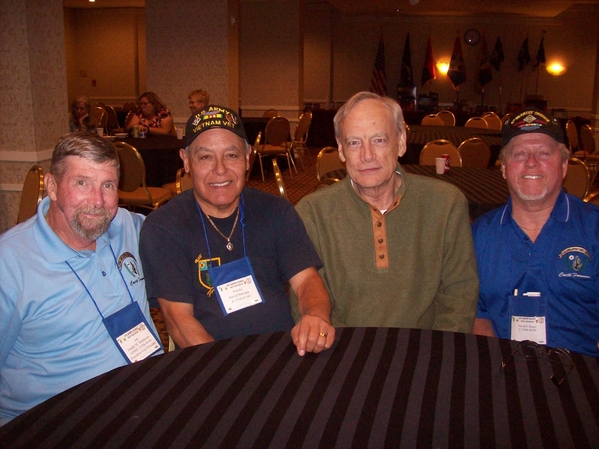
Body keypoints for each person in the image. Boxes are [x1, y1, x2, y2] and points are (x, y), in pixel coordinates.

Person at [139, 105, 334, 355]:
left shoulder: (276, 211)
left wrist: (316, 316)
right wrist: (228, 373)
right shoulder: (163, 228)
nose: (220, 169)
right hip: (211, 364)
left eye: (231, 155)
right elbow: (179, 322)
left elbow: (307, 280)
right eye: (205, 156)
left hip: (284, 353)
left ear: (247, 157)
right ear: (186, 161)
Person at [0, 132, 162, 425]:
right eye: (82, 183)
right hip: (60, 421)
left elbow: (178, 234)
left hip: (146, 397)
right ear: (52, 186)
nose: (98, 201)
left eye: (108, 185)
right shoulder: (9, 265)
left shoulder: (125, 225)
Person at [292, 91, 479, 332]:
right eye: (354, 142)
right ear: (340, 150)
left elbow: (459, 297)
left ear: (400, 142)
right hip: (345, 354)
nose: (366, 155)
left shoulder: (446, 204)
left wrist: (436, 355)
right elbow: (305, 302)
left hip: (425, 352)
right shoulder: (311, 213)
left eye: (379, 140)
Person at [472, 108, 599, 356]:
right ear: (504, 168)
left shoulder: (593, 230)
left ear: (563, 166)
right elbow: (475, 312)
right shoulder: (479, 234)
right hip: (504, 373)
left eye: (543, 153)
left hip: (580, 378)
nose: (531, 162)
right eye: (520, 154)